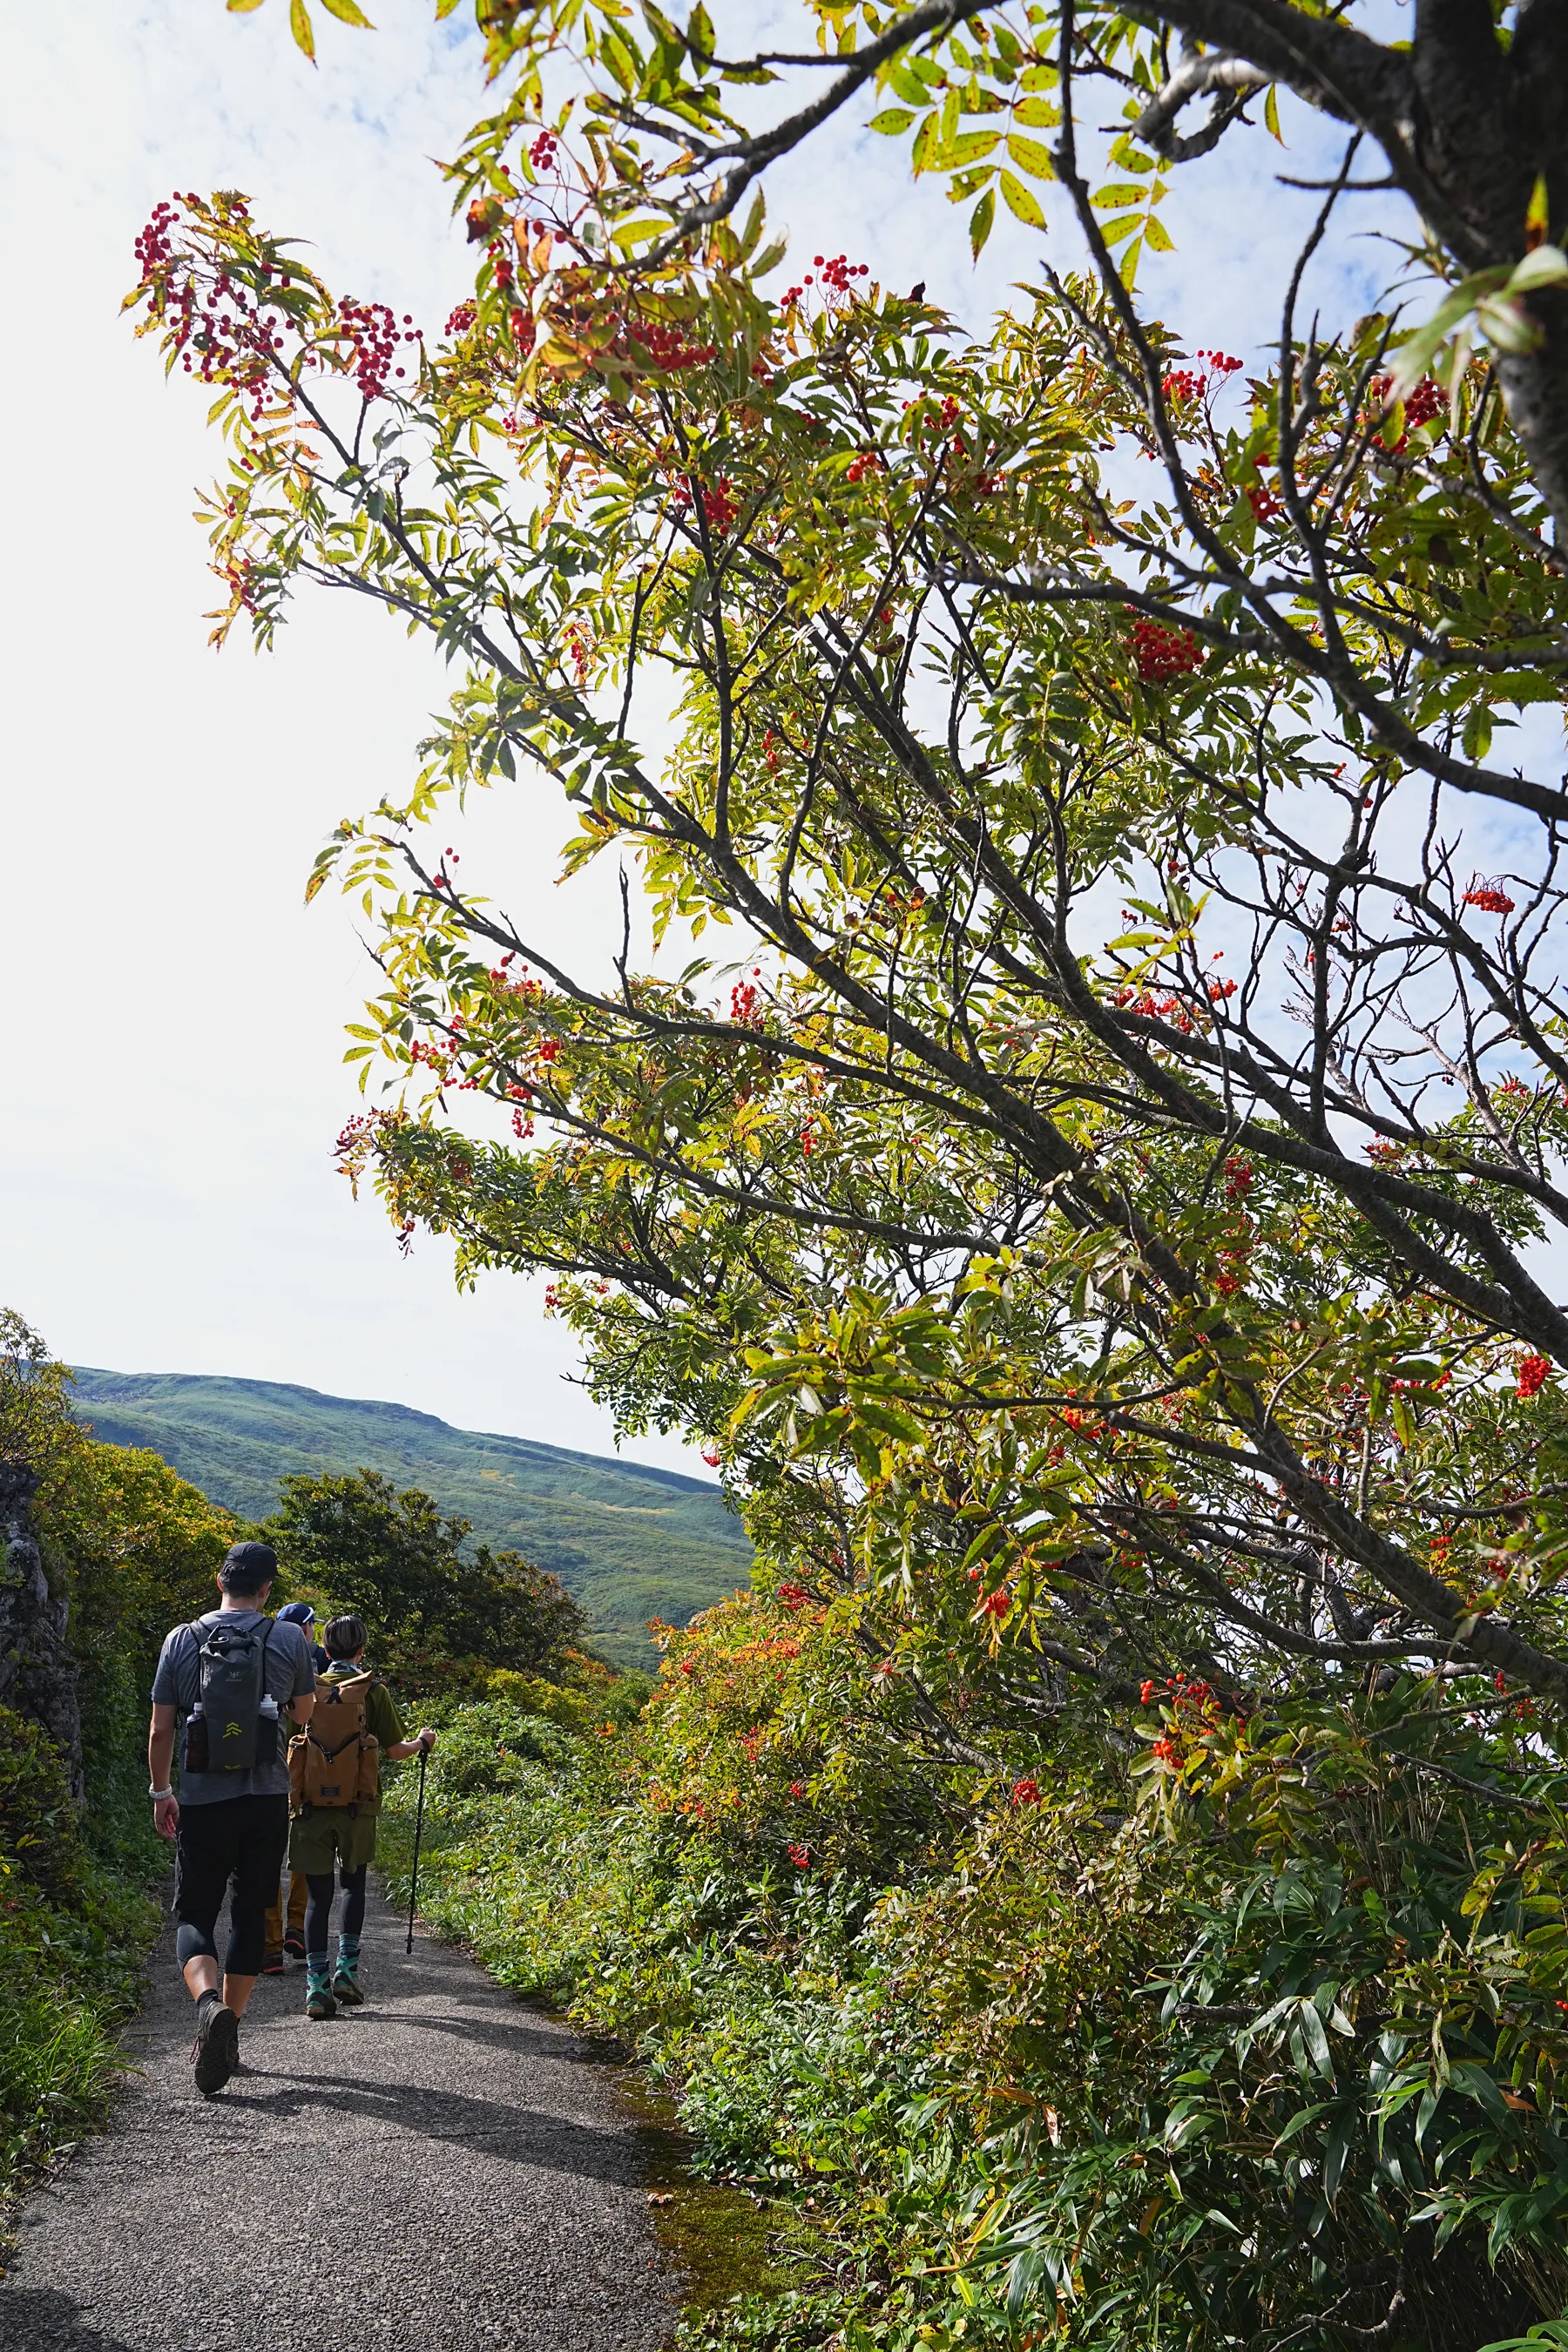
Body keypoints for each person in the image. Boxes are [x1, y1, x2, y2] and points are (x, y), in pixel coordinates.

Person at [147, 1540, 316, 2097]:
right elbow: (303, 1715)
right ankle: (231, 2030)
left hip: (201, 1801)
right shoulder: (287, 1637)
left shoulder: (183, 1638)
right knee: (250, 1911)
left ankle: (208, 2005)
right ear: (267, 1590)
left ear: (220, 1581)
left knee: (195, 1911)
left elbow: (161, 1729)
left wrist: (161, 1791)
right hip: (265, 1800)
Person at [288, 1612, 436, 2020]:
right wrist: (422, 1743)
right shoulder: (372, 1691)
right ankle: (346, 1971)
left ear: (325, 1647)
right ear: (361, 1649)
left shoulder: (305, 1689)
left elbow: (288, 1745)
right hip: (358, 1806)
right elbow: (393, 1751)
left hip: (309, 1809)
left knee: (318, 1896)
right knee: (353, 1886)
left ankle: (316, 1986)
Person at [261, 1601, 326, 1971]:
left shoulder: (263, 1658)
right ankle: (297, 1927)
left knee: (268, 1860)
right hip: (310, 1776)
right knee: (302, 1855)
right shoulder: (317, 1663)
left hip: (269, 1775)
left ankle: (270, 1947)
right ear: (303, 1629)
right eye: (311, 1625)